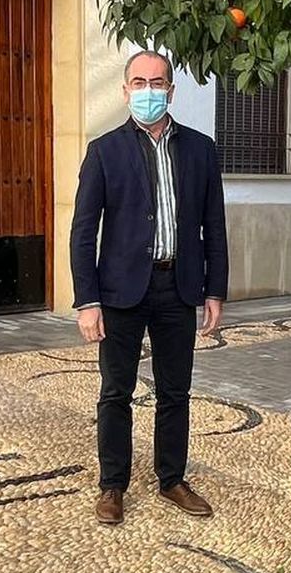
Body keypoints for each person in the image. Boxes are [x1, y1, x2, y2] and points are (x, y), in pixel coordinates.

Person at [69, 50, 228, 527]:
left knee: (175, 391)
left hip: (178, 287)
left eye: (157, 83)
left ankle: (172, 479)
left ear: (171, 91)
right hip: (120, 292)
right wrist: (87, 301)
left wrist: (215, 290)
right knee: (115, 392)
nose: (148, 91)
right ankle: (112, 485)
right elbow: (83, 231)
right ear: (125, 91)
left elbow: (214, 226)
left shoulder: (200, 150)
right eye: (139, 83)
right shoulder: (104, 151)